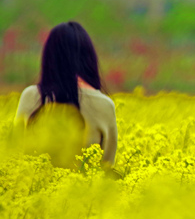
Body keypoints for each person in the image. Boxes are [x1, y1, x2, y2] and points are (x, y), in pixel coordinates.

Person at [14, 21, 117, 168]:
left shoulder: (31, 96)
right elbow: (107, 168)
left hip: (33, 189)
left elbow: (14, 155)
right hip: (86, 190)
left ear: (49, 58)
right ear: (89, 58)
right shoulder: (104, 105)